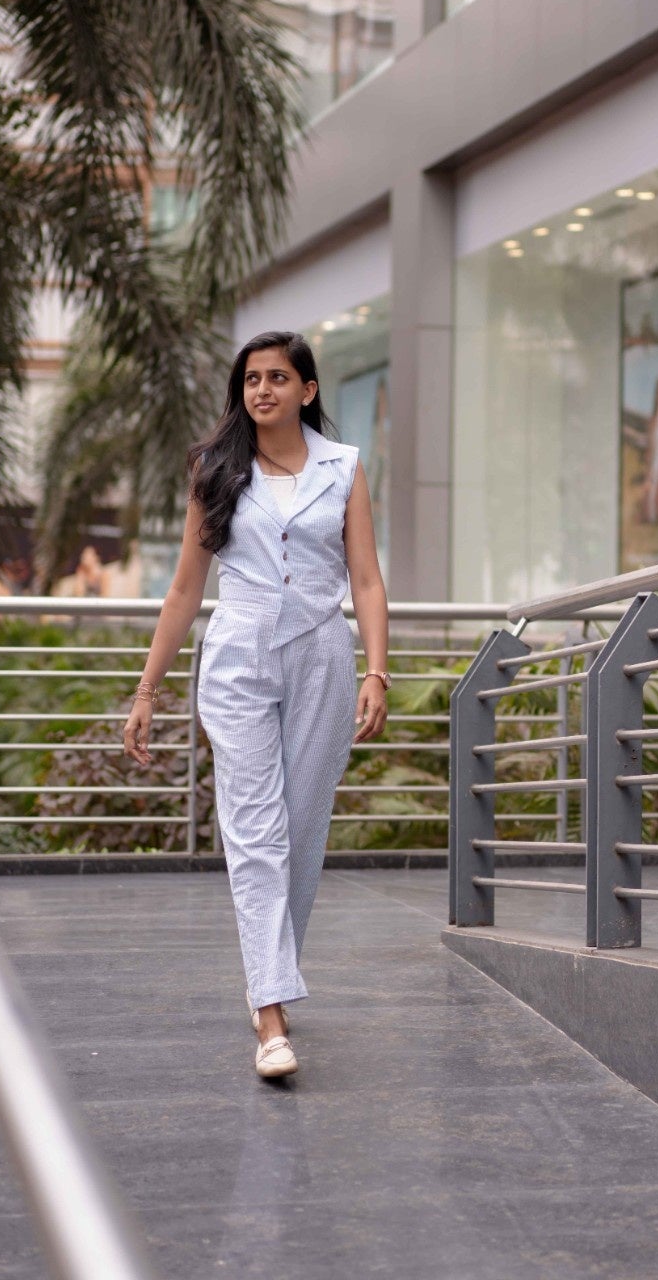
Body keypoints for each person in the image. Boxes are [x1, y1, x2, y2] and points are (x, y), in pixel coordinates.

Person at [122, 330, 390, 1080]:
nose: (262, 390)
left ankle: (270, 976)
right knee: (255, 834)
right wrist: (147, 690)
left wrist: (377, 671)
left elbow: (367, 580)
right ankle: (271, 1017)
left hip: (322, 658)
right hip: (237, 659)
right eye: (251, 379)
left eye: (277, 377)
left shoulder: (344, 468)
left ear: (307, 389)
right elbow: (184, 590)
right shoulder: (215, 471)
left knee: (301, 831)